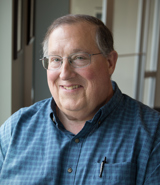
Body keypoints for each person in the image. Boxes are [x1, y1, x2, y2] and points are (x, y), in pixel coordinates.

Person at [0, 14, 160, 185]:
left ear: (110, 62)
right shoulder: (15, 129)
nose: (65, 73)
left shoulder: (152, 134)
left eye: (79, 58)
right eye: (55, 60)